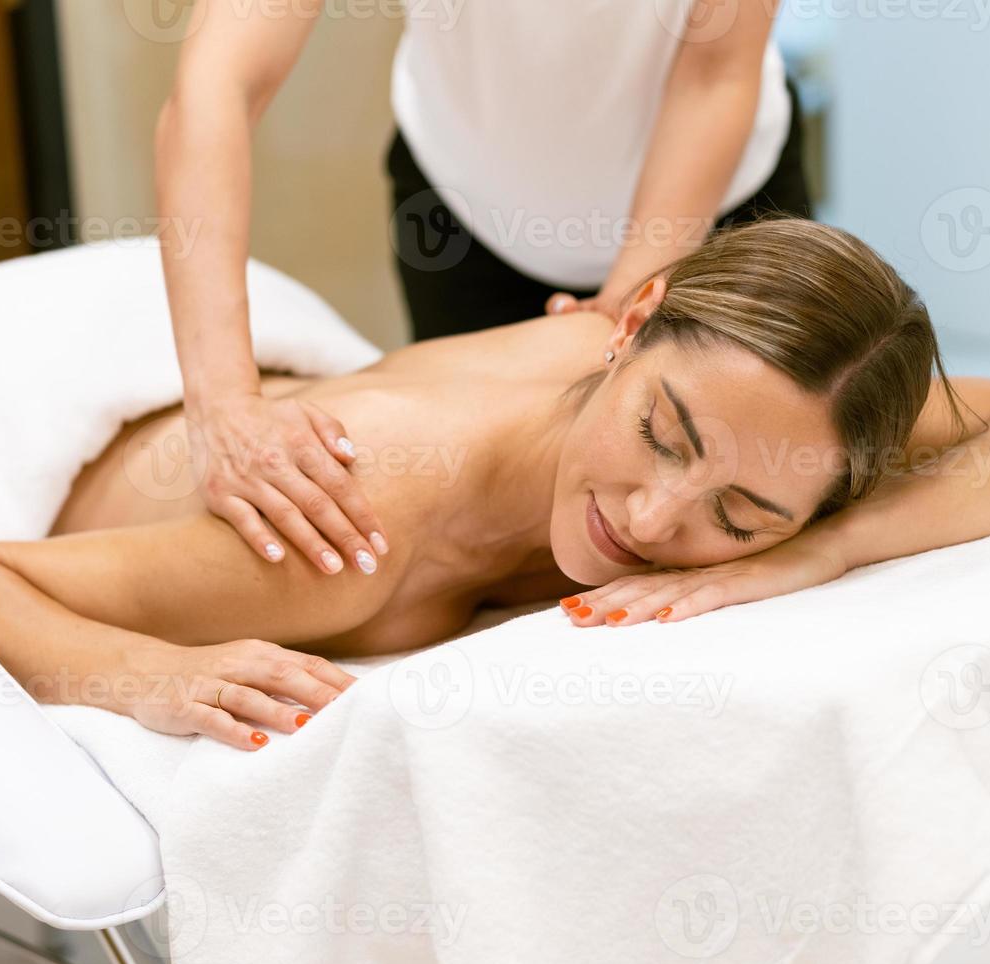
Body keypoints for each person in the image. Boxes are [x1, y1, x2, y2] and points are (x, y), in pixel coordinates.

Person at [0, 171, 990, 754]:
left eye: (739, 513)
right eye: (660, 438)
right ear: (625, 324)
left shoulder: (769, 396)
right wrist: (156, 677)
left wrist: (814, 552)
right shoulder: (354, 535)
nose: (652, 515)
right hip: (46, 398)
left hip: (214, 350)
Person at [153, 0, 809, 584]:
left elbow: (714, 74)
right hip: (468, 208)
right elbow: (220, 82)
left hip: (713, 205)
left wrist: (630, 296)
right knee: (467, 534)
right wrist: (224, 404)